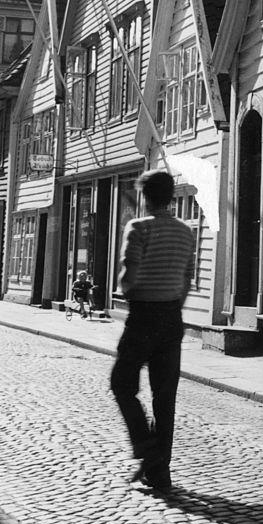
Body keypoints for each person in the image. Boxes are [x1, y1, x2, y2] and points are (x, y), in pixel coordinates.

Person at [110, 169, 195, 492]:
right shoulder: (185, 232)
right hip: (173, 317)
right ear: (170, 196)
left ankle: (146, 449)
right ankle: (161, 472)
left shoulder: (138, 227)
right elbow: (187, 278)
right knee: (164, 396)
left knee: (122, 384)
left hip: (143, 315)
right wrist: (173, 303)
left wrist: (130, 289)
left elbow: (127, 278)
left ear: (145, 197)